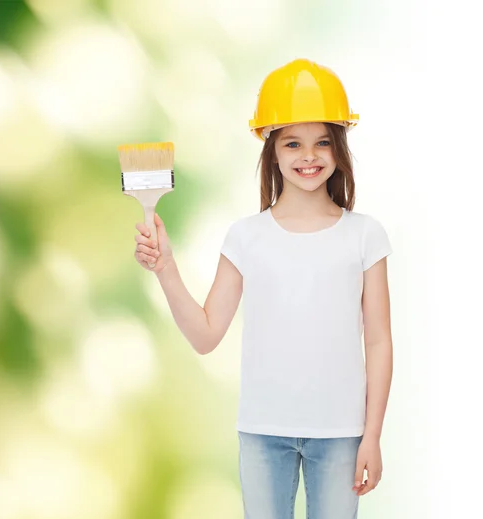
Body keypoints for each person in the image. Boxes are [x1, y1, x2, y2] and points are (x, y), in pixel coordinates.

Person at [133, 58, 393, 519]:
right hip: (261, 429)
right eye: (293, 143)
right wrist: (166, 268)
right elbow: (206, 335)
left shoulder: (365, 236)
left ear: (340, 150)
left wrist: (371, 434)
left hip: (341, 431)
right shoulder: (246, 237)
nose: (308, 156)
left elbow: (378, 341)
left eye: (322, 143)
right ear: (271, 149)